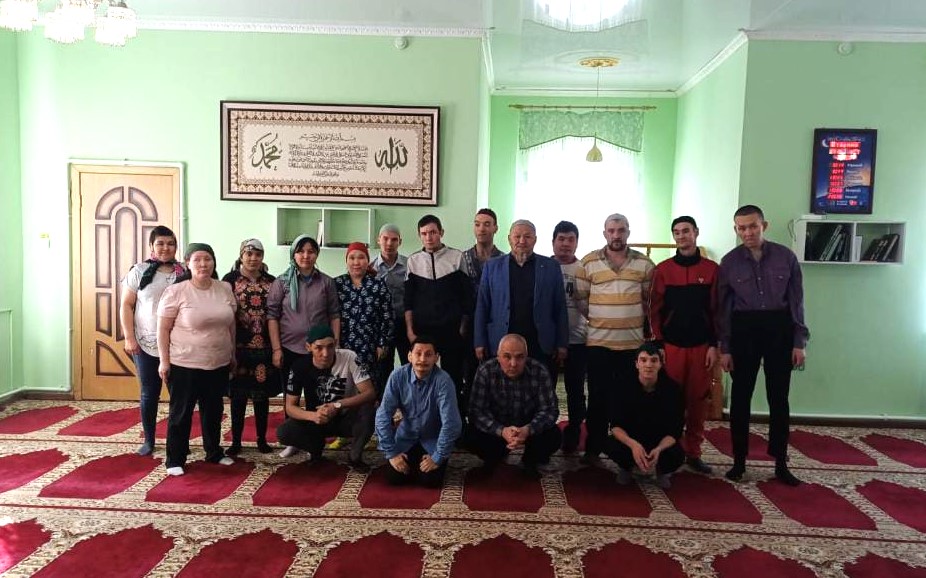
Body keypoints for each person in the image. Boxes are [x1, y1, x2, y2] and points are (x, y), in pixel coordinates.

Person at [718, 205, 809, 486]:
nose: (747, 232)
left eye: (752, 226)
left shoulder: (786, 257)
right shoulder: (729, 262)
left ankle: (780, 462)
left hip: (779, 329)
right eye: (742, 228)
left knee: (779, 398)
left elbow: (797, 302)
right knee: (740, 398)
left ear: (764, 226)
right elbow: (723, 309)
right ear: (736, 230)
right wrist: (725, 348)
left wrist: (799, 342)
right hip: (744, 330)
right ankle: (739, 461)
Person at [575, 213, 655, 466]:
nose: (616, 235)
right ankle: (593, 448)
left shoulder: (645, 264)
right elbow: (581, 300)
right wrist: (603, 319)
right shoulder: (588, 262)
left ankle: (627, 451)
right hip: (598, 345)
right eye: (611, 231)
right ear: (604, 233)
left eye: (621, 230)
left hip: (632, 346)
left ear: (628, 232)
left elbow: (648, 301)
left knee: (628, 400)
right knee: (597, 398)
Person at [156, 243, 237, 476]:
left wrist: (232, 354)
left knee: (213, 411)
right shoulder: (176, 291)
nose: (203, 264)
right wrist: (164, 361)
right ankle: (175, 459)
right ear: (188, 264)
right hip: (184, 364)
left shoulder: (224, 288)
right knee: (181, 414)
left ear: (214, 262)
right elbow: (163, 329)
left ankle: (214, 452)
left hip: (218, 362)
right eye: (197, 260)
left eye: (208, 259)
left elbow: (231, 324)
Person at [649, 216, 718, 474]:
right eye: (676, 232)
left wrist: (714, 344)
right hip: (671, 348)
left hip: (701, 348)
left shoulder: (712, 269)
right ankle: (670, 451)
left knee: (697, 402)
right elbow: (654, 310)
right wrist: (658, 343)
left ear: (695, 233)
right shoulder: (663, 270)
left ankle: (694, 453)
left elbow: (717, 310)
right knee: (671, 402)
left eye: (686, 231)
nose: (681, 236)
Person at [267, 234, 340, 458]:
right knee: (292, 397)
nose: (306, 256)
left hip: (319, 351)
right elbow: (272, 316)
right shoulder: (281, 282)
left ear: (316, 254)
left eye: (311, 251)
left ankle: (314, 441)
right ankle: (294, 440)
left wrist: (335, 345)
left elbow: (334, 314)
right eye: (301, 251)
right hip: (290, 348)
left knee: (317, 395)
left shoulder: (326, 282)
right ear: (294, 254)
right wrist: (277, 349)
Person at [474, 219, 568, 381]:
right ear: (509, 239)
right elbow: (483, 305)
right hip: (502, 340)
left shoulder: (550, 266)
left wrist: (562, 343)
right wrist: (479, 341)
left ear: (535, 240)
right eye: (517, 236)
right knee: (501, 390)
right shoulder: (493, 266)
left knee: (542, 387)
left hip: (540, 342)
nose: (522, 241)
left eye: (527, 237)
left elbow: (560, 307)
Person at [120, 225, 185, 456]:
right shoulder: (139, 271)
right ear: (151, 246)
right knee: (149, 393)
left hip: (178, 345)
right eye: (160, 243)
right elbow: (126, 305)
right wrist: (129, 338)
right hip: (145, 343)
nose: (166, 248)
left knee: (180, 396)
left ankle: (178, 441)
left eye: (170, 243)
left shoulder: (184, 272)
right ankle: (149, 440)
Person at [276, 325, 376, 471]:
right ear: (308, 347)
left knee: (371, 410)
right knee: (284, 432)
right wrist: (313, 416)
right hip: (316, 421)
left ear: (335, 343)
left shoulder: (349, 357)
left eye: (330, 346)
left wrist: (338, 405)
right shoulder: (299, 366)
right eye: (319, 348)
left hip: (345, 417)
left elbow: (369, 393)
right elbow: (290, 407)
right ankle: (315, 450)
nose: (326, 353)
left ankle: (354, 455)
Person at [404, 215, 473, 416]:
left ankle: (455, 422)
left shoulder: (457, 257)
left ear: (441, 233)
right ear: (419, 235)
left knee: (453, 378)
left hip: (451, 331)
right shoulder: (413, 261)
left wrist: (462, 328)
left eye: (433, 232)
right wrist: (410, 331)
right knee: (423, 377)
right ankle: (424, 419)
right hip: (423, 331)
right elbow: (408, 301)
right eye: (424, 233)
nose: (429, 237)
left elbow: (466, 298)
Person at [466, 334, 561, 478]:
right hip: (497, 429)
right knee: (469, 435)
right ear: (498, 356)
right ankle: (495, 455)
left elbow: (549, 410)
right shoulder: (486, 371)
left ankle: (530, 460)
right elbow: (476, 411)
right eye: (507, 357)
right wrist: (502, 431)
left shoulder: (539, 371)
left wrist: (528, 430)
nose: (513, 363)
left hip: (528, 428)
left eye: (519, 357)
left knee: (554, 436)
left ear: (526, 357)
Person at [375, 336, 462, 487]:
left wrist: (437, 457)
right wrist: (392, 454)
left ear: (436, 358)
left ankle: (427, 464)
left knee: (430, 482)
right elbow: (383, 416)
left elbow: (452, 423)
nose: (422, 359)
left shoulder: (444, 381)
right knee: (394, 478)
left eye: (428, 354)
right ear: (409, 356)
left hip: (433, 440)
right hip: (405, 438)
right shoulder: (397, 377)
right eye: (418, 353)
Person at [222, 238, 277, 456]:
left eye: (258, 254)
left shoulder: (272, 281)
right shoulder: (229, 280)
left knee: (261, 397)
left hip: (264, 347)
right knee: (238, 397)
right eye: (249, 254)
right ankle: (236, 441)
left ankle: (262, 439)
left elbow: (276, 314)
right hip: (238, 347)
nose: (253, 258)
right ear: (241, 255)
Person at [605, 342, 685, 489]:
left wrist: (659, 449)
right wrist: (634, 446)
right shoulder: (622, 387)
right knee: (611, 445)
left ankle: (661, 469)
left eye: (654, 360)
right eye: (643, 360)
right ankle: (627, 467)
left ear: (660, 364)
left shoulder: (672, 390)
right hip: (632, 440)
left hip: (659, 440)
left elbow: (675, 429)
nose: (648, 365)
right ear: (636, 364)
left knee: (677, 454)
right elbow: (615, 426)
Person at [335, 242, 395, 395]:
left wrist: (382, 343)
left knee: (371, 389)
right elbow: (330, 315)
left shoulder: (378, 284)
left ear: (368, 261)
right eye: (352, 258)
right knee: (344, 387)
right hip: (344, 346)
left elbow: (387, 316)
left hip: (370, 346)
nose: (356, 262)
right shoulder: (337, 284)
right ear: (346, 261)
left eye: (361, 257)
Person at [551, 221, 589, 453]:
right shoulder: (543, 266)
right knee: (546, 390)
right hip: (549, 341)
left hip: (578, 340)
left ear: (577, 242)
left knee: (575, 391)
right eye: (561, 239)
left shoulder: (584, 269)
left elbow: (591, 306)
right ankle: (547, 434)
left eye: (570, 239)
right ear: (553, 241)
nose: (565, 244)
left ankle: (573, 434)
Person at [461, 208, 504, 400]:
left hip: (495, 322)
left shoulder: (503, 260)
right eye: (477, 224)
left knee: (496, 372)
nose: (482, 229)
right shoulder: (462, 258)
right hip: (468, 323)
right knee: (468, 372)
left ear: (496, 228)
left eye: (487, 224)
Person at [371, 224, 409, 376]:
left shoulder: (409, 265)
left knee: (409, 364)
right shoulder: (370, 268)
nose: (389, 243)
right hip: (382, 325)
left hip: (404, 322)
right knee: (383, 367)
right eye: (385, 239)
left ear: (400, 242)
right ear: (378, 240)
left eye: (394, 240)